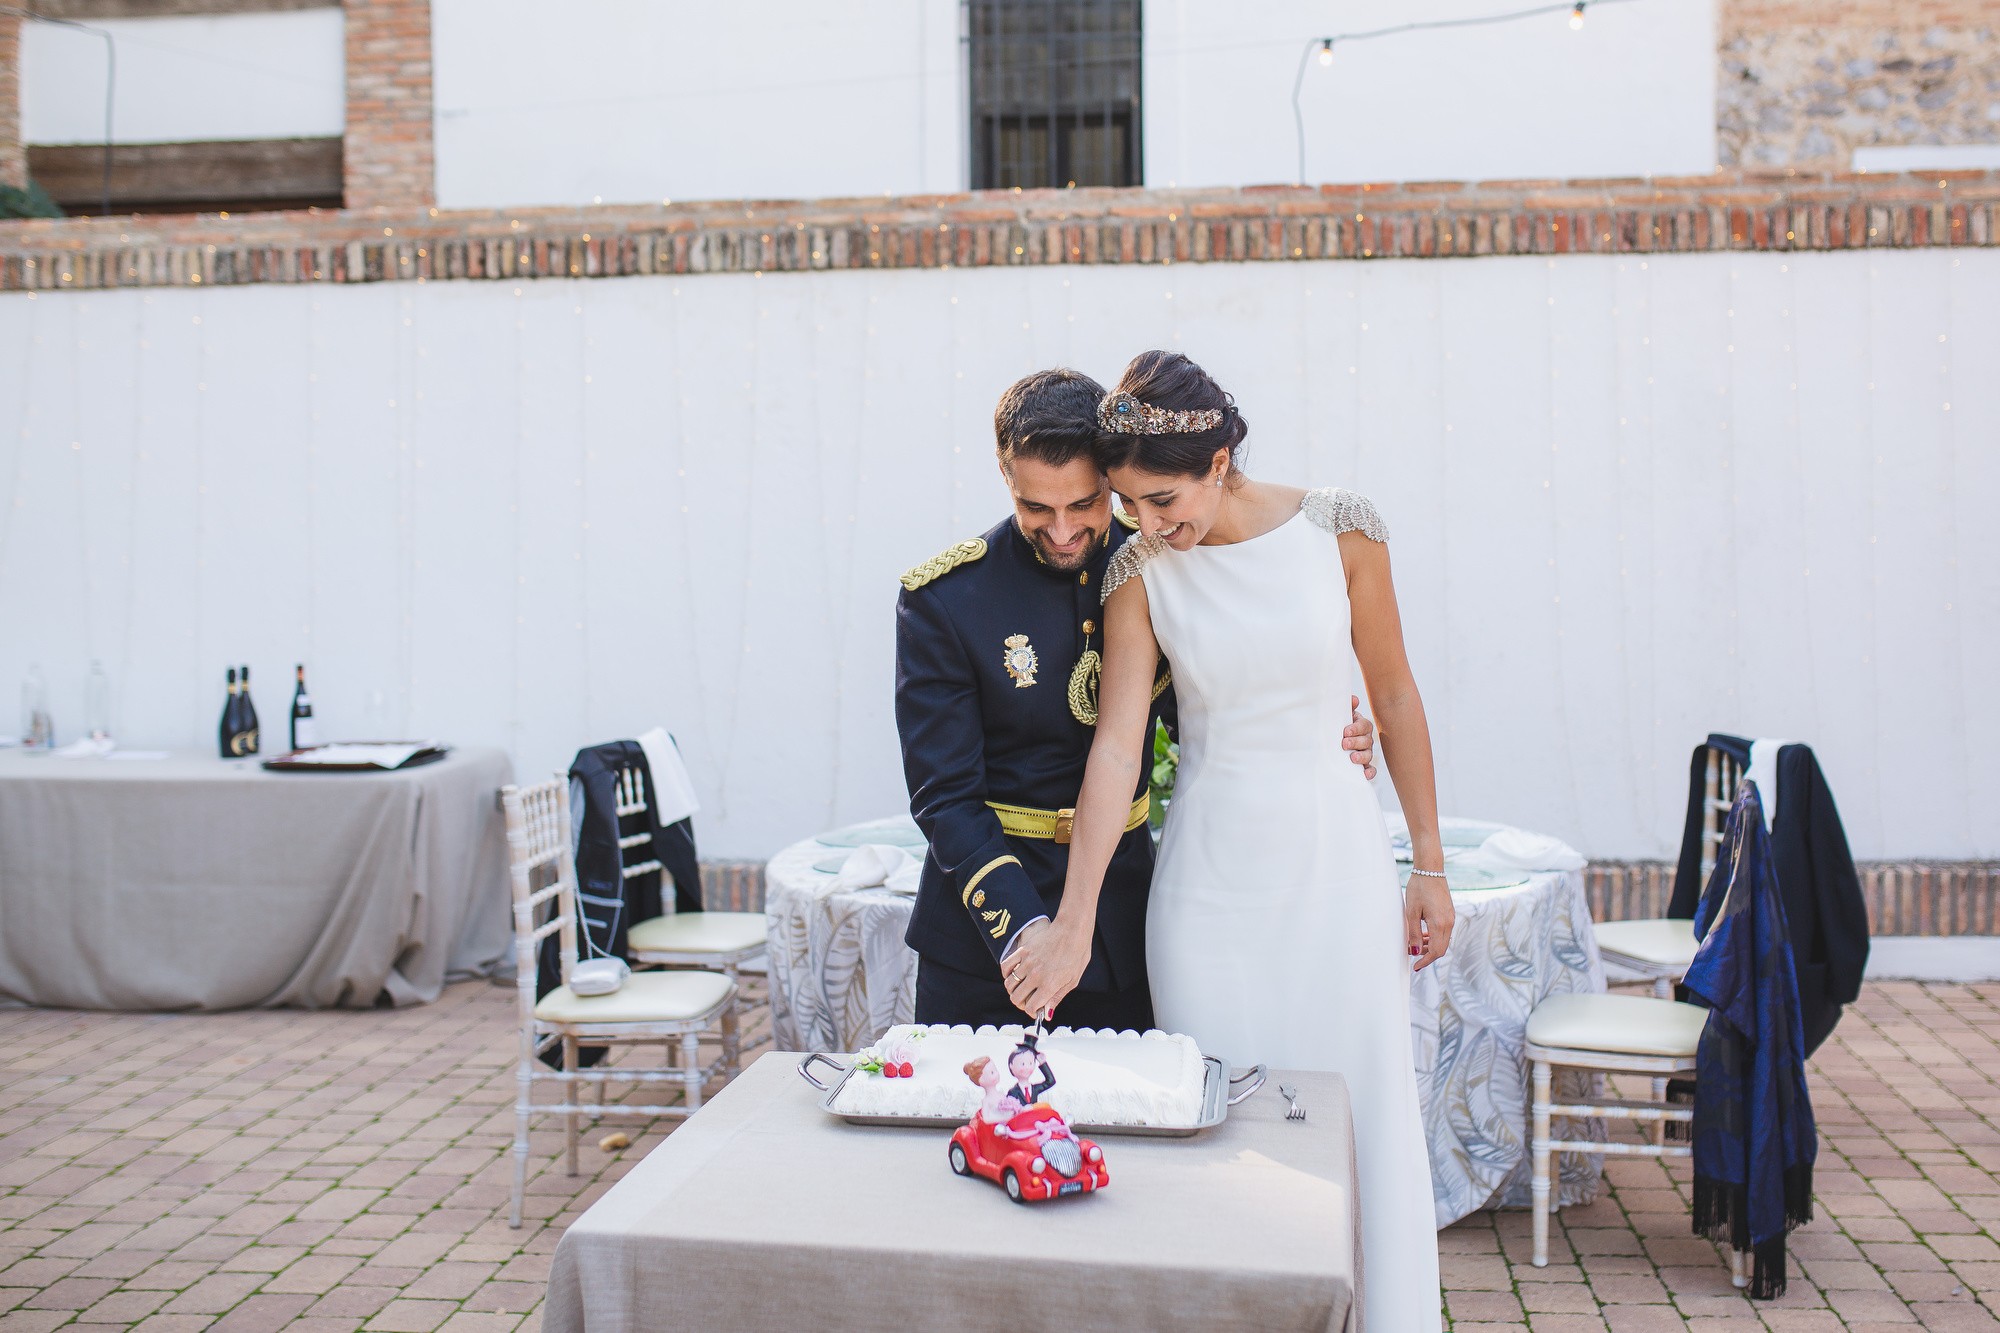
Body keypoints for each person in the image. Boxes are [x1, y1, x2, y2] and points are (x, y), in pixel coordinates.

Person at [1002, 351, 1450, 1331]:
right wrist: (1071, 921)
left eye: (1162, 497)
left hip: (1333, 865)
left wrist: (1427, 862)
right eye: (1128, 502)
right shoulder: (1136, 568)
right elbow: (1118, 744)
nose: (1149, 522)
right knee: (1218, 1127)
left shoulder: (1343, 528)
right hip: (1206, 878)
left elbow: (1394, 692)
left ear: (1220, 459)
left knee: (1357, 1108)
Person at [894, 368, 1379, 1030]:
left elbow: (1216, 700)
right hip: (987, 947)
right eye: (1036, 508)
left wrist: (1325, 721)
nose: (1062, 531)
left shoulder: (1161, 559)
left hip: (1127, 924)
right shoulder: (946, 600)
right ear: (1007, 479)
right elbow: (945, 797)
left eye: (1086, 505)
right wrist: (1025, 932)